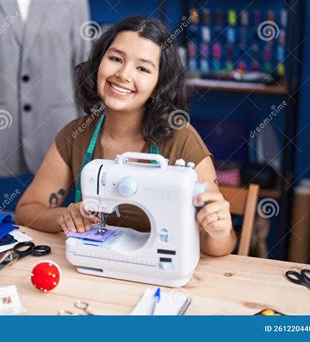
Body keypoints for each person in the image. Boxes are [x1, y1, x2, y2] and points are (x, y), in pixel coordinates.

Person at [15, 16, 236, 256]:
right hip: (94, 269)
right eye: (115, 59)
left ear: (159, 83)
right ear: (99, 63)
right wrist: (64, 216)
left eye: (142, 68)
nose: (123, 74)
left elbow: (219, 247)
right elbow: (27, 210)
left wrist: (220, 231)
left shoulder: (182, 141)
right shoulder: (76, 134)